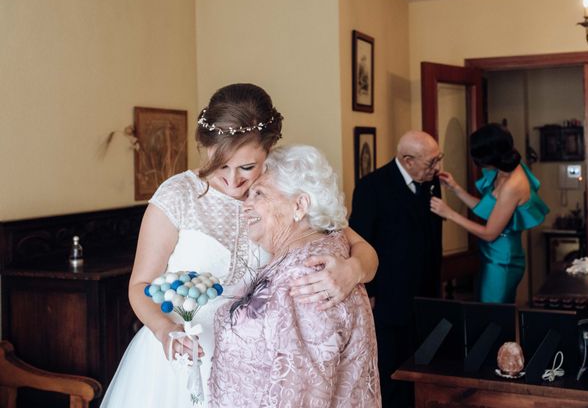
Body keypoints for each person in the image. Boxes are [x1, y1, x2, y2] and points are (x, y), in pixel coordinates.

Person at [101, 83, 378, 407]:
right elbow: (140, 285)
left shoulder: (281, 190)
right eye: (221, 166)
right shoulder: (178, 196)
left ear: (269, 149)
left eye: (247, 167)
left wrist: (353, 269)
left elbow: (361, 247)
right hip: (179, 358)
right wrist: (165, 329)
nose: (234, 181)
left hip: (257, 366)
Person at [209, 145, 381, 407]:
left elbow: (301, 391)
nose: (246, 206)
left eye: (259, 194)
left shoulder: (306, 277)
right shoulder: (326, 245)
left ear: (299, 205)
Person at [349, 130, 443, 408]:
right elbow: (360, 241)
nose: (437, 168)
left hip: (424, 291)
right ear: (408, 160)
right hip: (389, 294)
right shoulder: (372, 187)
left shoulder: (431, 182)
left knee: (422, 364)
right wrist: (371, 291)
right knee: (391, 368)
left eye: (438, 160)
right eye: (431, 162)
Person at [430, 123, 549, 303]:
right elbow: (491, 210)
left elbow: (489, 233)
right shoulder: (503, 169)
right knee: (491, 318)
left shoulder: (513, 185)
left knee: (491, 320)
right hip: (493, 254)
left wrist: (450, 214)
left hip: (503, 260)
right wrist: (456, 189)